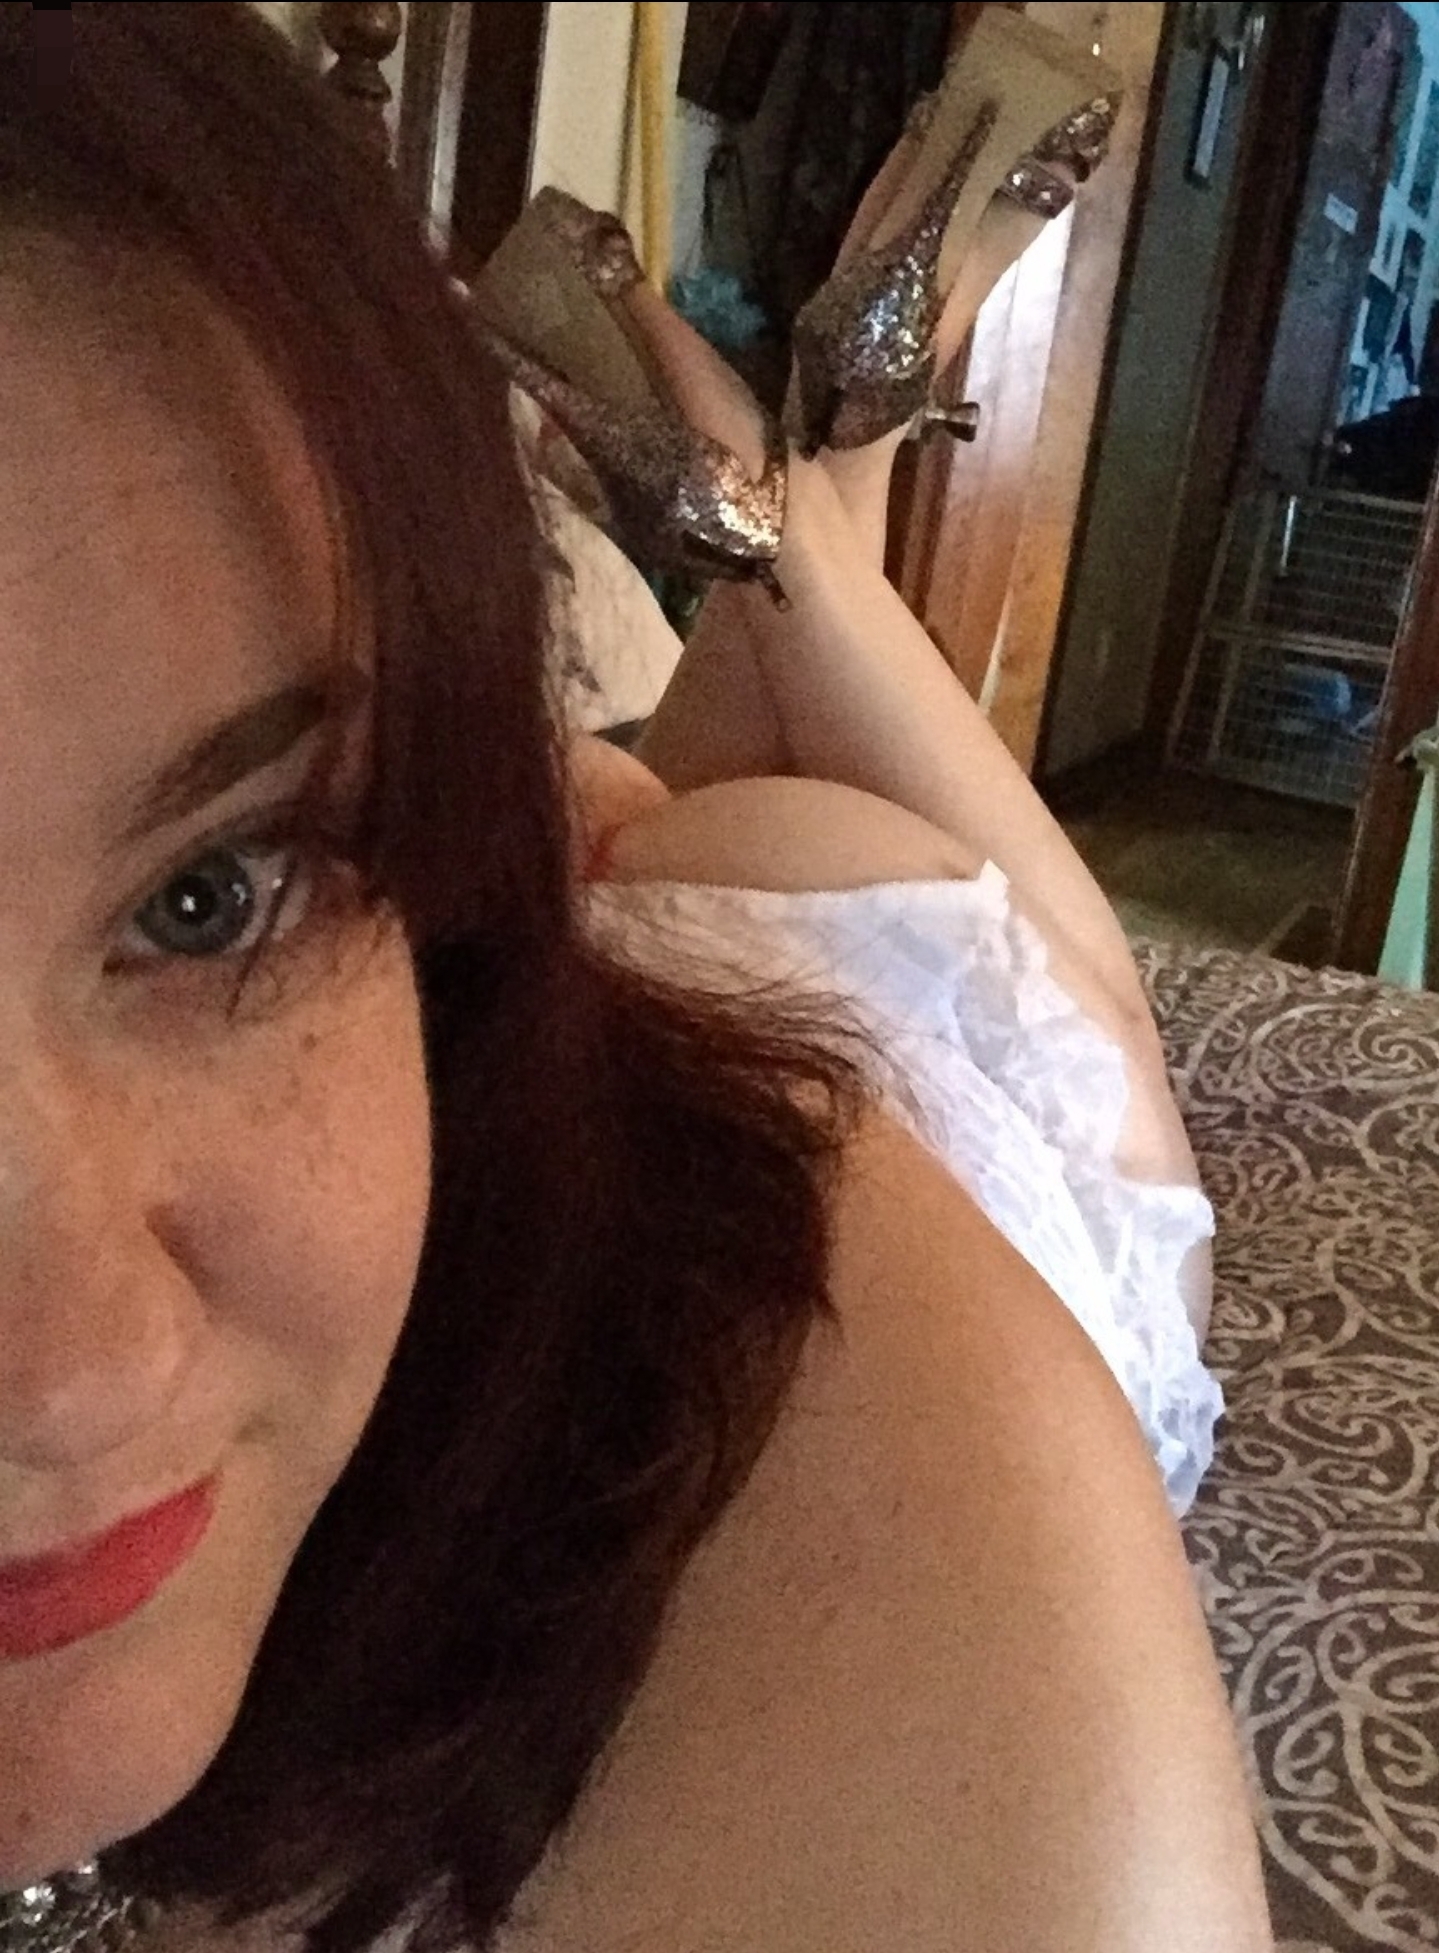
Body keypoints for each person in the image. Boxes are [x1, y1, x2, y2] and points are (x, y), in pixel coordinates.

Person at [0, 7, 1272, 1951]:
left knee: (1039, 1015)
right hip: (773, 939)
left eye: (210, 891)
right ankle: (798, 467)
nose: (79, 1372)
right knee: (1080, 1040)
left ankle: (803, 470)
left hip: (774, 953)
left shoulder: (944, 1521)